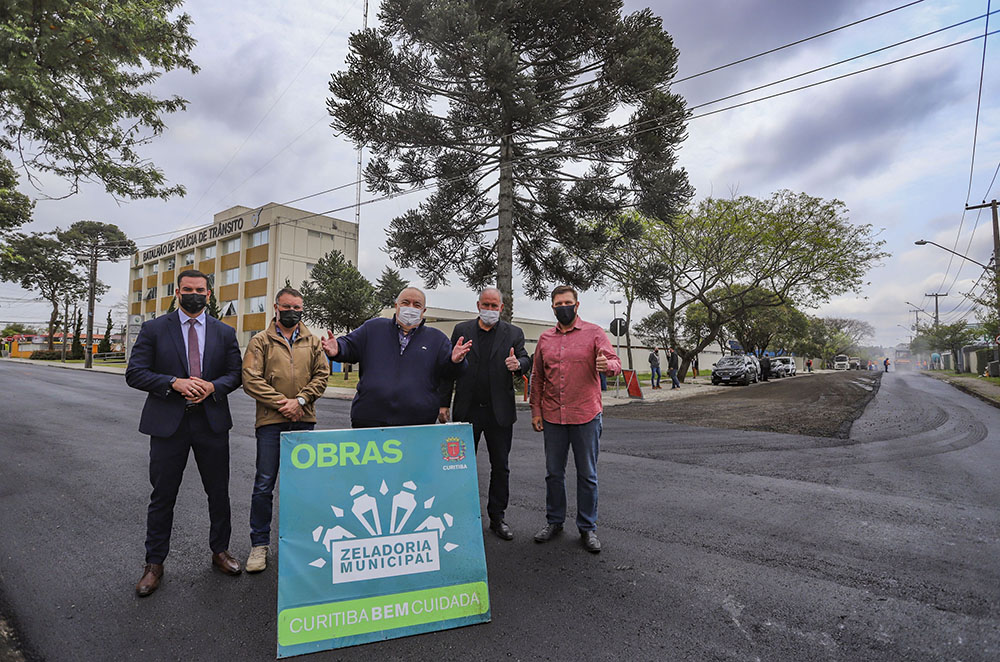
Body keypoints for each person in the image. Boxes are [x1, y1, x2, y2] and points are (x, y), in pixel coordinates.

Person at [125, 269, 244, 597]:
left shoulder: (224, 332)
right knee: (162, 496)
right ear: (177, 293)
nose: (194, 294)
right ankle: (154, 563)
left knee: (218, 493)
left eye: (200, 290)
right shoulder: (154, 329)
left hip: (211, 423)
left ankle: (220, 551)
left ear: (209, 294)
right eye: (187, 289)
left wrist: (213, 387)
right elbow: (135, 373)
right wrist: (172, 382)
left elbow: (236, 374)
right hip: (168, 425)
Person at [241, 287, 330, 572]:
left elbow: (322, 375)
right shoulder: (260, 341)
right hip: (271, 422)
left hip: (304, 419)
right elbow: (251, 379)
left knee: (304, 485)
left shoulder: (312, 341)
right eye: (287, 306)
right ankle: (259, 545)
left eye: (298, 308)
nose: (293, 311)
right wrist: (284, 404)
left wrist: (301, 400)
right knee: (265, 484)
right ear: (276, 307)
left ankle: (302, 542)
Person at [530, 286, 621, 553]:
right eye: (558, 303)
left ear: (577, 305)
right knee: (553, 474)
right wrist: (536, 411)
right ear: (553, 307)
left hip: (585, 415)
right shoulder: (545, 339)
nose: (563, 307)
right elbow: (538, 378)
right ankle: (554, 521)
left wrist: (609, 367)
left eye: (567, 302)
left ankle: (587, 528)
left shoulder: (594, 333)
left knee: (587, 475)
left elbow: (614, 362)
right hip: (553, 416)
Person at [438, 288, 531, 540]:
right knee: (460, 467)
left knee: (500, 466)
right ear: (478, 305)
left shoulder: (514, 333)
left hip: (499, 413)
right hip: (467, 410)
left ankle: (497, 518)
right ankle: (460, 517)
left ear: (501, 308)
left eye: (494, 306)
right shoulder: (462, 330)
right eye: (485, 305)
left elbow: (525, 358)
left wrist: (518, 365)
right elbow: (450, 366)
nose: (489, 310)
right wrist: (443, 403)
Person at [321, 287, 470, 427]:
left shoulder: (437, 339)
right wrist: (338, 348)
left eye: (416, 304)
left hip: (417, 423)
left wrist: (456, 361)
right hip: (369, 419)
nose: (410, 307)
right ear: (396, 305)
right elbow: (350, 346)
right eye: (405, 303)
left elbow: (450, 373)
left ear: (423, 311)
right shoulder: (373, 328)